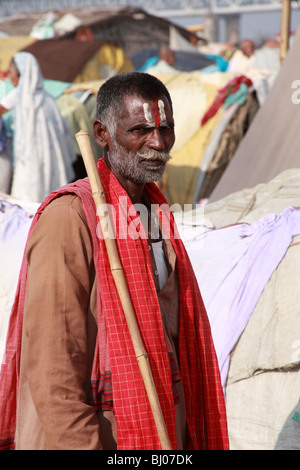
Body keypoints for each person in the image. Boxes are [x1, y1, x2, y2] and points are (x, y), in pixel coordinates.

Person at [0, 72, 229, 450]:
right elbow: (52, 369)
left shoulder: (156, 212)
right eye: (141, 129)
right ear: (102, 134)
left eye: (165, 129)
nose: (158, 143)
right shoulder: (70, 217)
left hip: (160, 431)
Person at [0, 52, 76, 202]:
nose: (9, 76)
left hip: (30, 163)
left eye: (11, 72)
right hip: (50, 164)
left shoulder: (22, 97)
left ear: (22, 74)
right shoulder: (47, 98)